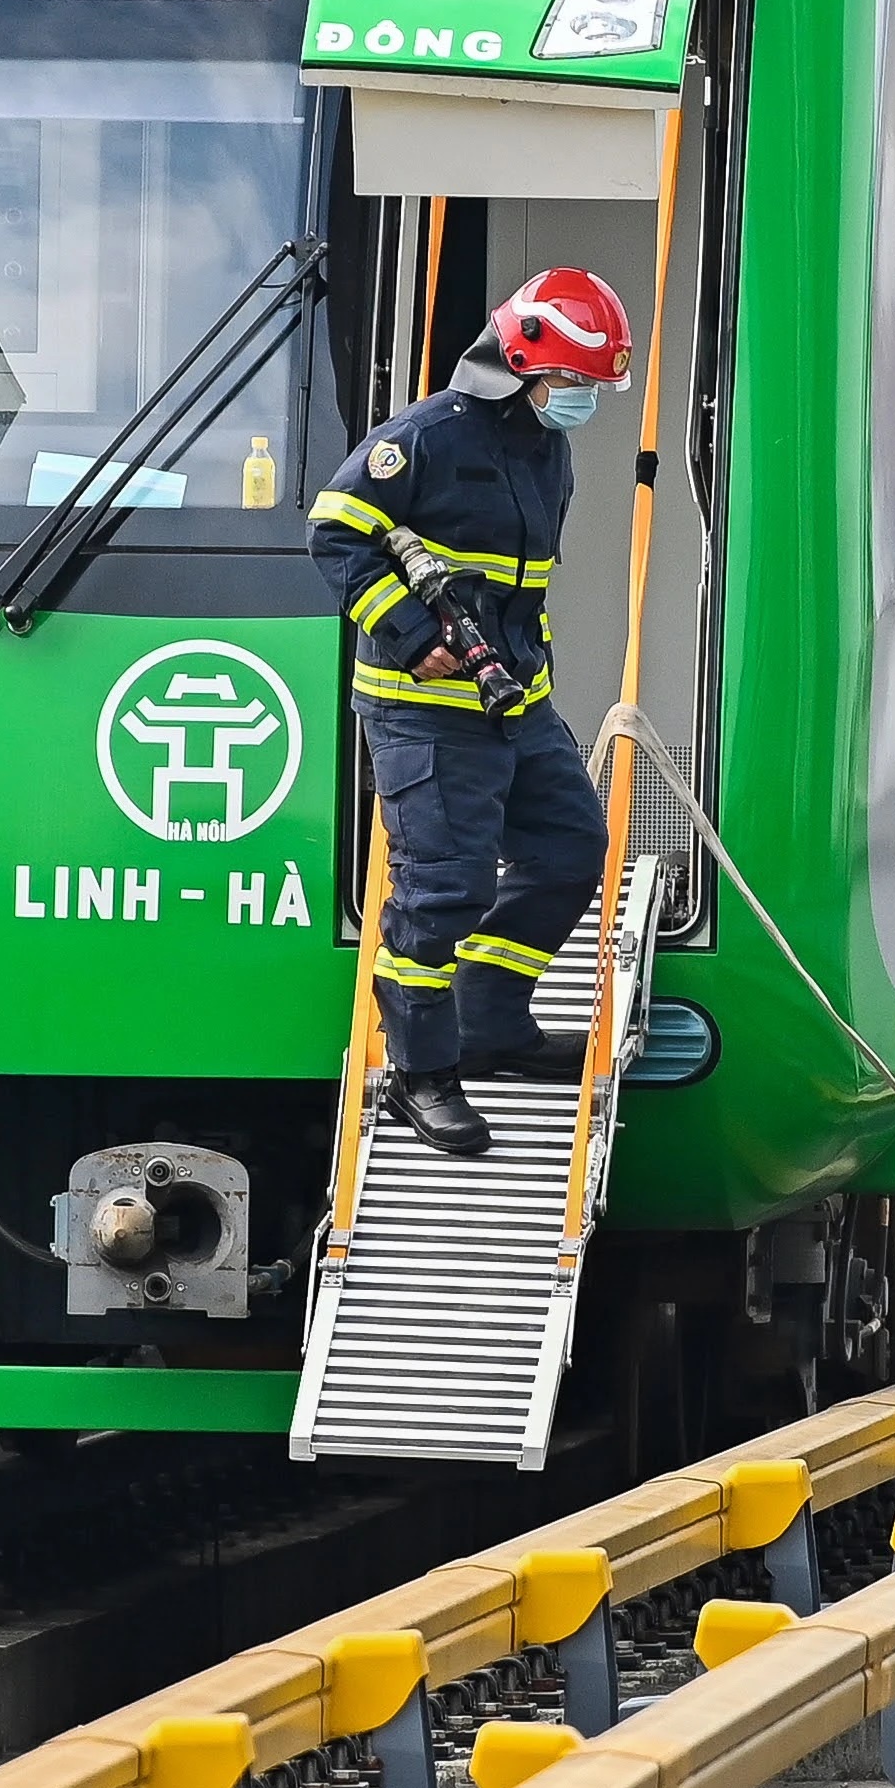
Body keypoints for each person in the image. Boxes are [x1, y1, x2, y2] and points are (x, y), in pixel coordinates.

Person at [309, 266, 632, 1157]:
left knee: (570, 851)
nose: (579, 402)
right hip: (425, 710)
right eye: (571, 383)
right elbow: (333, 534)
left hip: (514, 701)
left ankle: (488, 1020)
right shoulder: (421, 440)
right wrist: (413, 635)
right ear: (519, 365)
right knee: (441, 890)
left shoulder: (538, 441)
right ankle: (420, 1073)